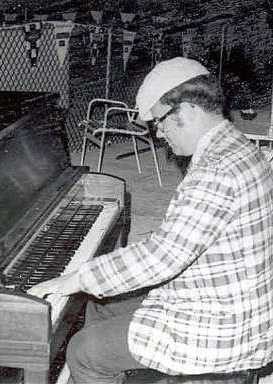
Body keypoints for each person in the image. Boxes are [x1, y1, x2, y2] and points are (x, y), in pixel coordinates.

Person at [28, 57, 273, 383]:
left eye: (159, 122)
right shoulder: (238, 147)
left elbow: (163, 257)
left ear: (186, 110)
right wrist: (93, 278)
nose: (158, 134)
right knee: (99, 305)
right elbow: (176, 239)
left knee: (83, 352)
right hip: (235, 301)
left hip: (222, 327)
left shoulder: (215, 170)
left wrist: (73, 278)